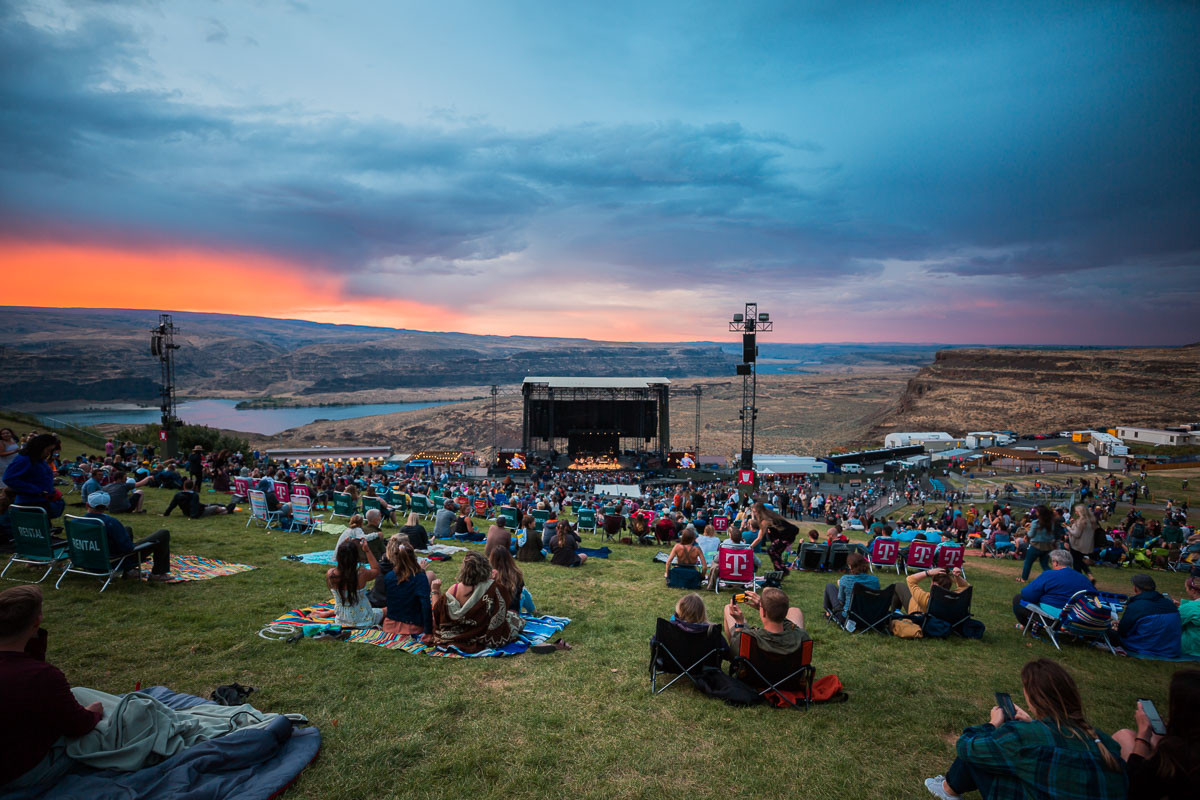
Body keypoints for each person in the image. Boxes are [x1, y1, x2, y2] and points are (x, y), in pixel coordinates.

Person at [924, 658, 1126, 800]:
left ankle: (948, 789)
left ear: (1034, 701)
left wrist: (993, 724)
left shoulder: (1022, 737)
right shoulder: (1105, 742)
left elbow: (966, 746)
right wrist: (1032, 723)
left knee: (983, 749)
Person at [0, 585, 104, 790]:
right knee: (98, 732)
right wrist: (94, 713)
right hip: (19, 774)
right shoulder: (40, 677)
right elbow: (78, 725)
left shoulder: (33, 675)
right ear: (37, 621)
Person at [1112, 669, 1200, 800]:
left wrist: (1143, 735)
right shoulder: (1187, 745)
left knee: (1124, 738)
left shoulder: (1176, 756)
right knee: (1125, 734)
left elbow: (1134, 789)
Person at [431, 551, 524, 653]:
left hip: (456, 634)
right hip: (484, 635)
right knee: (516, 620)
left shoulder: (454, 589)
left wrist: (435, 591)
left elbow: (437, 614)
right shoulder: (494, 588)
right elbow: (502, 610)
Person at [85, 492, 172, 580]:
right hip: (112, 561)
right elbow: (128, 549)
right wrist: (137, 545)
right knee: (163, 534)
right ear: (107, 506)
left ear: (87, 504)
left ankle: (130, 572)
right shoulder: (110, 523)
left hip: (87, 561)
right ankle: (158, 574)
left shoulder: (76, 522)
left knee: (127, 529)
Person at [1012, 549, 1094, 627]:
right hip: (1081, 619)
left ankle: (1028, 626)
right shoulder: (1084, 579)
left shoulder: (1049, 575)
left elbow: (1027, 595)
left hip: (1057, 620)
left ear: (1056, 563)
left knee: (1018, 599)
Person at [312, 539, 383, 627]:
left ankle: (329, 614)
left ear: (338, 557)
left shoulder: (331, 574)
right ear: (356, 557)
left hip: (341, 620)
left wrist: (343, 544)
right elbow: (376, 569)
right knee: (387, 609)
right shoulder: (361, 574)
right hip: (364, 620)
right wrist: (367, 550)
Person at [722, 586, 809, 656]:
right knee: (795, 610)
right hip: (791, 676)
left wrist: (740, 624)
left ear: (763, 612)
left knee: (727, 608)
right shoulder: (802, 636)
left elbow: (734, 650)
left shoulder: (750, 639)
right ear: (785, 612)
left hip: (755, 677)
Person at [1112, 573, 1182, 658]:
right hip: (1171, 649)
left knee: (1108, 632)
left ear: (1135, 588)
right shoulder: (1170, 604)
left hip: (1144, 647)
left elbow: (1123, 631)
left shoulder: (1136, 606)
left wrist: (1117, 626)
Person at [380, 537, 436, 639]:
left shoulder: (389, 576)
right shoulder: (419, 578)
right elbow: (425, 605)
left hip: (389, 626)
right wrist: (428, 632)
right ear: (414, 558)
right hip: (412, 626)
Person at [1, 433, 64, 519]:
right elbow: (9, 478)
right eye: (48, 450)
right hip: (30, 502)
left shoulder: (38, 459)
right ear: (40, 447)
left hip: (42, 501)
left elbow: (34, 474)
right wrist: (36, 490)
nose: (48, 453)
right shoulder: (25, 459)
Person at [823, 552, 880, 628]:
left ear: (850, 566)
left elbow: (841, 601)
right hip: (870, 616)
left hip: (849, 617)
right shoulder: (875, 581)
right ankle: (828, 613)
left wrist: (840, 586)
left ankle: (828, 613)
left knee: (830, 586)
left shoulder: (846, 579)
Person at [750, 502, 800, 572]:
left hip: (787, 535)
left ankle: (781, 570)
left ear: (759, 511)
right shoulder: (770, 515)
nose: (754, 514)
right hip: (788, 533)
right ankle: (779, 571)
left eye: (755, 512)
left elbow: (759, 538)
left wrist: (750, 547)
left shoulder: (765, 520)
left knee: (772, 550)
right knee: (775, 552)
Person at [489, 546, 534, 614]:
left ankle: (533, 610)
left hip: (493, 613)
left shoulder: (488, 574)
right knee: (524, 592)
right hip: (512, 614)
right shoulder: (516, 574)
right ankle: (533, 610)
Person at [161, 479, 237, 518]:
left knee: (210, 505)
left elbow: (172, 505)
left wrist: (166, 514)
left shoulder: (178, 495)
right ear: (193, 487)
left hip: (186, 512)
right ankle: (227, 510)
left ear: (184, 486)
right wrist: (194, 515)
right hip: (198, 513)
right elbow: (194, 506)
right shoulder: (194, 495)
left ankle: (226, 508)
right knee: (215, 508)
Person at [1019, 505, 1057, 582]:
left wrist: (1027, 530)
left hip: (1035, 545)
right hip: (1047, 546)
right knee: (1044, 564)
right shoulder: (1051, 523)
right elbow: (1052, 536)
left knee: (1028, 562)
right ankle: (1054, 578)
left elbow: (1030, 534)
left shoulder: (1035, 522)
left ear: (1039, 513)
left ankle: (1023, 578)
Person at [1067, 503, 1097, 580]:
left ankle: (1079, 579)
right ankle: (1089, 575)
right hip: (1086, 545)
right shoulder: (1091, 520)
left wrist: (1068, 528)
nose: (1075, 513)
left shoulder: (1081, 521)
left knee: (1076, 563)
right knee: (1079, 560)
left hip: (1076, 544)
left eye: (1076, 511)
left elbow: (1076, 534)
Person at [1179, 574, 1200, 659]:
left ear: (1193, 590)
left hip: (1194, 648)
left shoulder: (1190, 607)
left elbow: (1174, 623)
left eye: (1186, 588)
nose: (1186, 590)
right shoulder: (1192, 607)